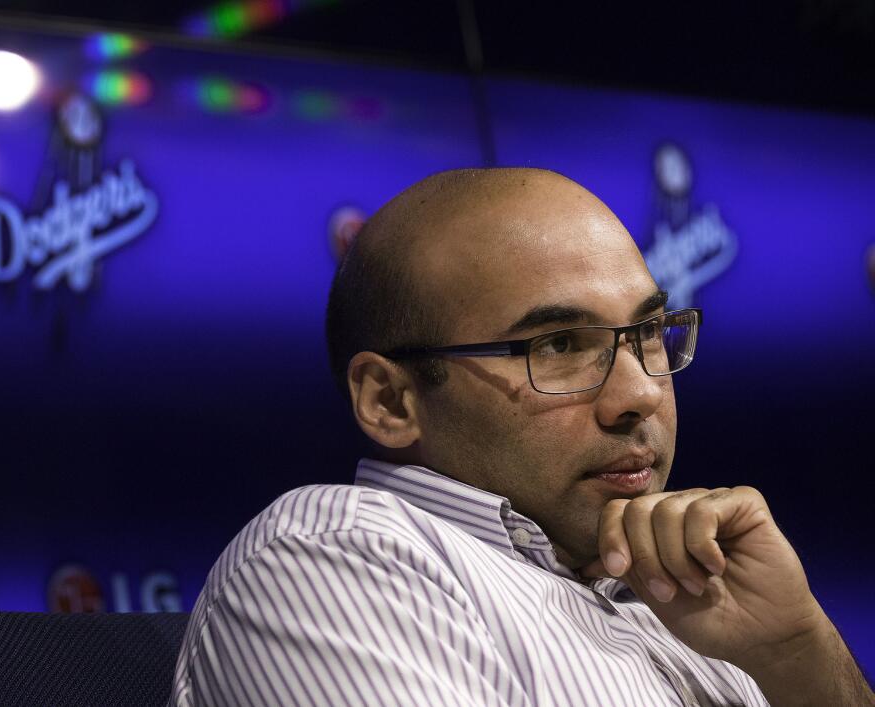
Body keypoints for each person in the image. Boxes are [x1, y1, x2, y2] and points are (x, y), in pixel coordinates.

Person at [168, 169, 873, 706]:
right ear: (390, 400)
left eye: (649, 334)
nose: (639, 394)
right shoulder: (330, 558)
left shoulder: (689, 600)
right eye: (562, 343)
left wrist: (796, 654)